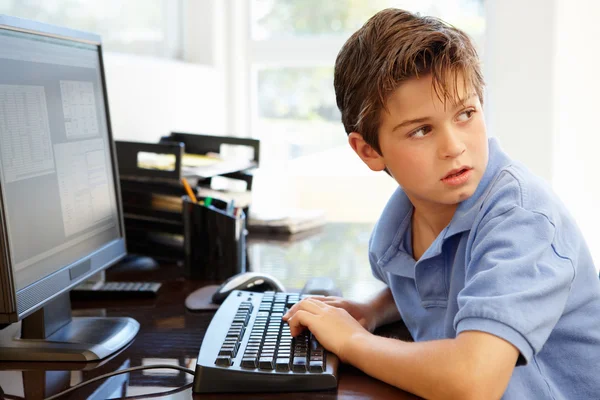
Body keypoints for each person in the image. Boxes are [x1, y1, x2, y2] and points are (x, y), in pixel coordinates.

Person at [283, 8, 600, 400]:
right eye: (421, 130)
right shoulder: (400, 222)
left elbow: (473, 381)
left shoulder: (523, 219)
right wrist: (373, 310)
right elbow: (442, 284)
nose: (454, 147)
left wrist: (352, 342)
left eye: (466, 113)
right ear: (368, 150)